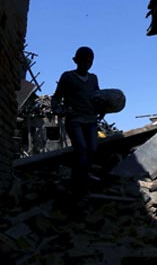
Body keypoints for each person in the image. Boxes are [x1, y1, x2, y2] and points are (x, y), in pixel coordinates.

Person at [51, 46, 101, 200]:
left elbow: (97, 97)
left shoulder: (93, 79)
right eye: (84, 60)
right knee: (82, 150)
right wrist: (59, 109)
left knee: (92, 150)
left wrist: (103, 107)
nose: (87, 63)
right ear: (76, 61)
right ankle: (78, 187)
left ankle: (80, 180)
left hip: (91, 120)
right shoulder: (68, 77)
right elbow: (56, 97)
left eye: (90, 60)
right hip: (75, 121)